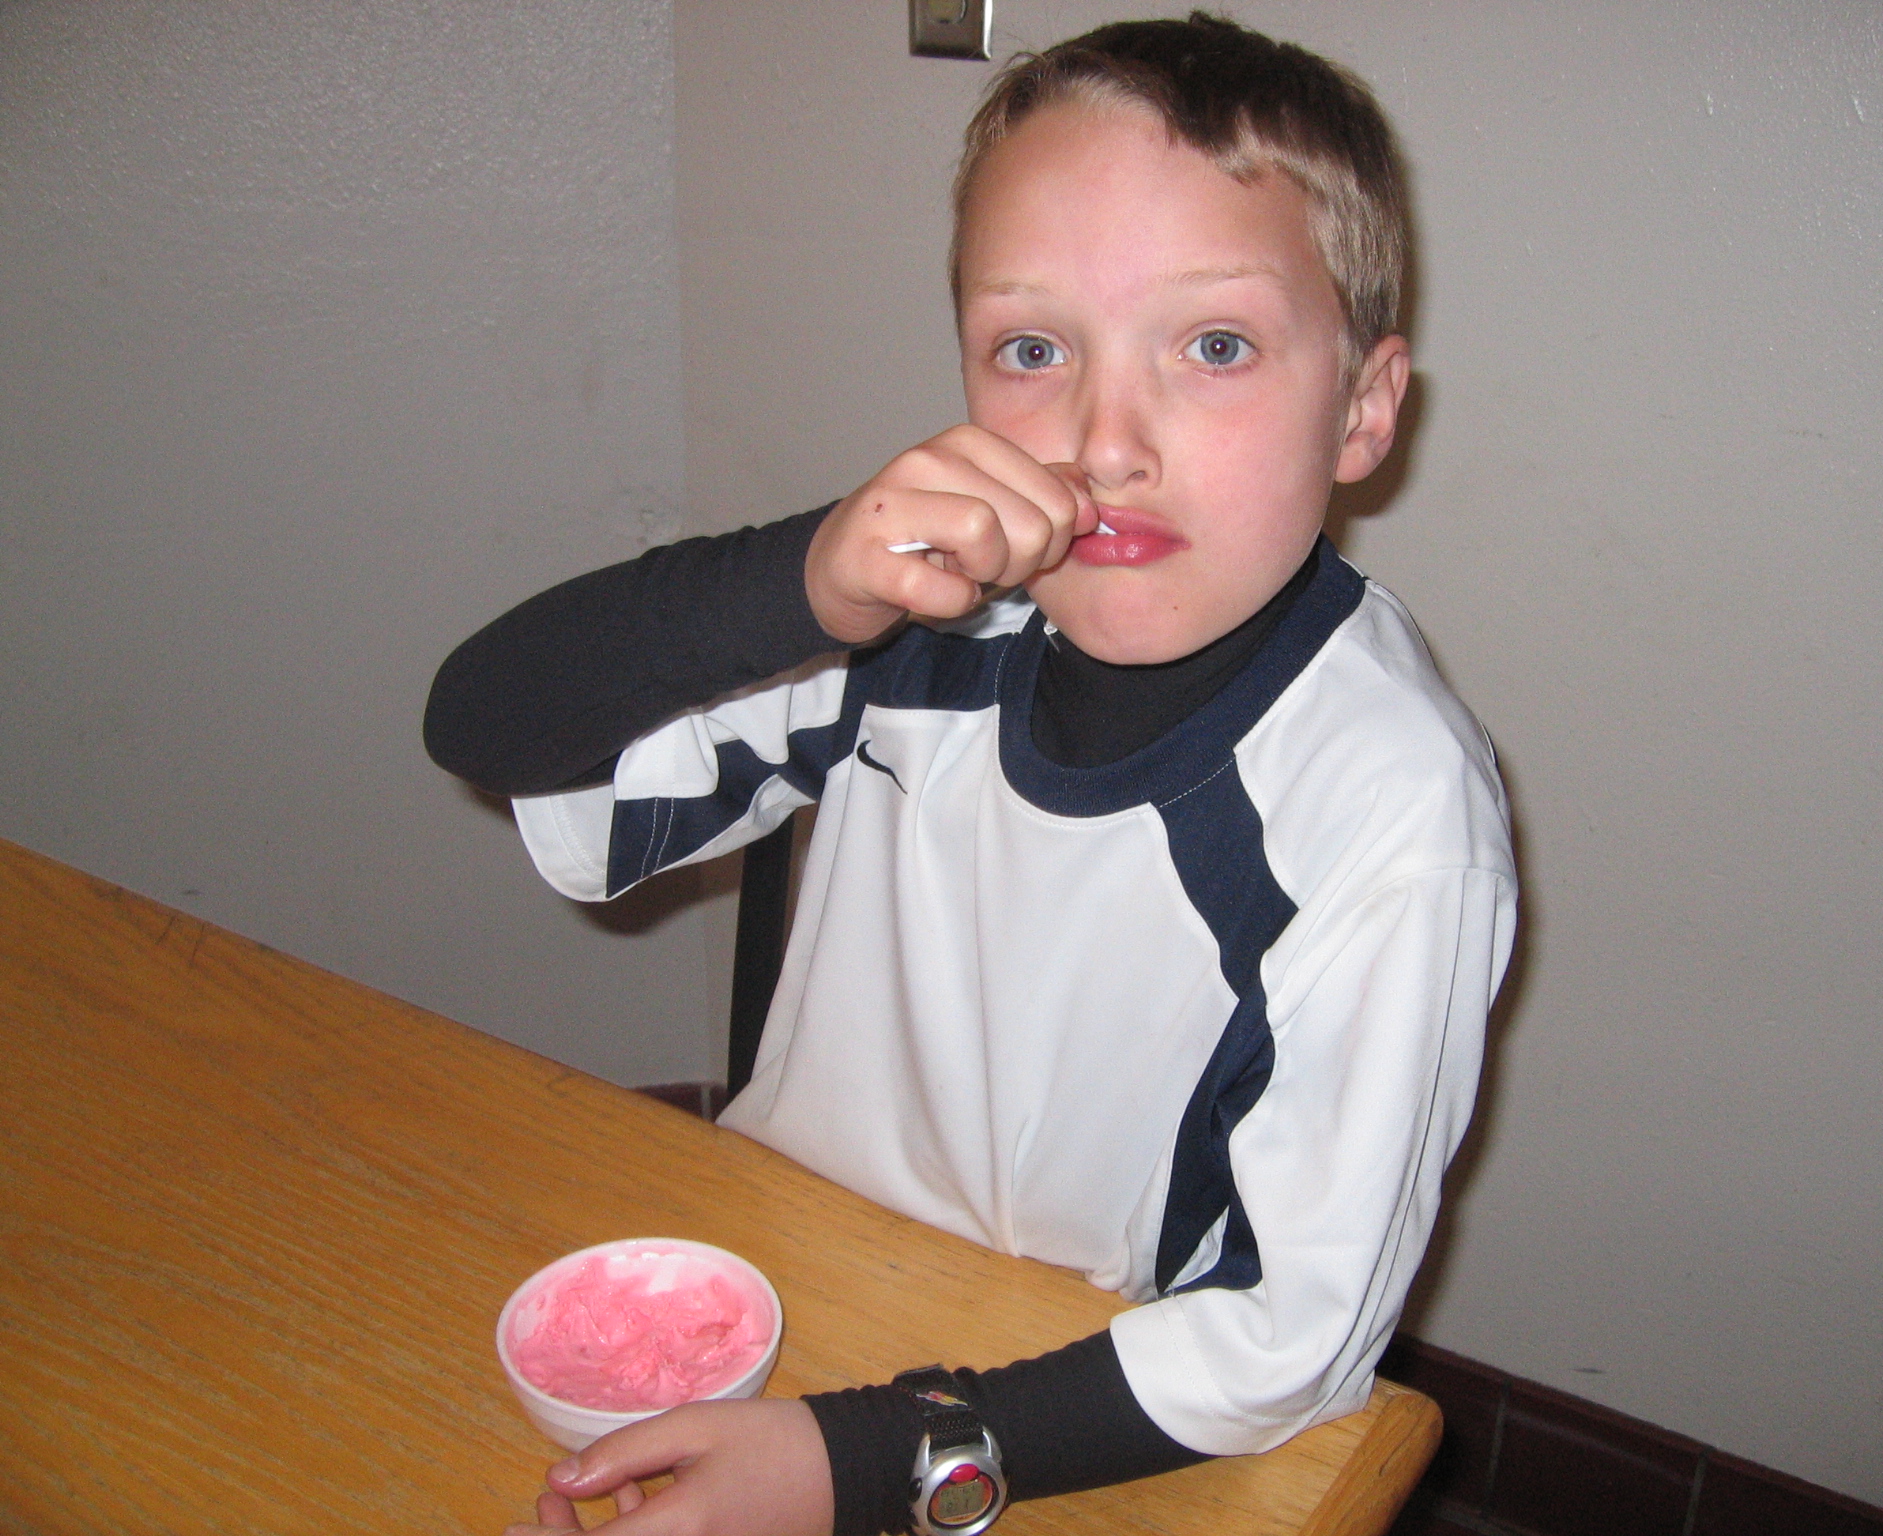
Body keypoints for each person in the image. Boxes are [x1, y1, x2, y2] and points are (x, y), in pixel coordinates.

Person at [425, 14, 1516, 1536]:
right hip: (787, 1289)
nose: (1103, 439)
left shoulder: (1390, 811)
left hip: (1078, 1409)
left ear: (1365, 406)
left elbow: (1295, 1339)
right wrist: (807, 579)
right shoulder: (924, 618)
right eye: (1032, 348)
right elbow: (484, 720)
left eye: (1214, 347)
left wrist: (859, 1462)